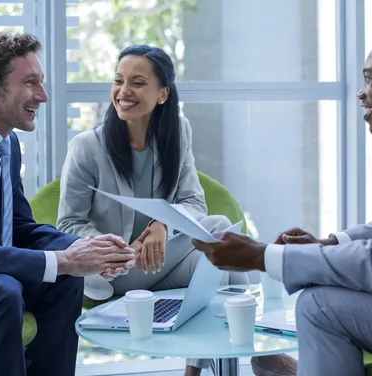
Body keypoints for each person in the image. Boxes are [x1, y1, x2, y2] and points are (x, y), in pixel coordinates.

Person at [191, 32, 372, 376]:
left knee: (321, 305)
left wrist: (261, 256)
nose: (361, 93)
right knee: (323, 285)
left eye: (370, 78)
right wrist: (331, 242)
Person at [57, 44, 248, 376]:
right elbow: (68, 223)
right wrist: (113, 247)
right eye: (119, 81)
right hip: (118, 272)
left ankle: (199, 369)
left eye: (138, 82)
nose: (124, 91)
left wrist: (163, 224)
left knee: (220, 246)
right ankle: (260, 360)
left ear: (163, 94)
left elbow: (193, 202)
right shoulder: (87, 146)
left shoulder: (178, 131)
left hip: (164, 265)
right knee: (220, 231)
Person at [0, 32, 136, 376]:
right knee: (1, 291)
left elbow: (19, 227)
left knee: (65, 279)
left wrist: (84, 249)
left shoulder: (6, 144)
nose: (44, 95)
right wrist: (63, 259)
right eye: (30, 82)